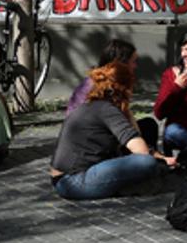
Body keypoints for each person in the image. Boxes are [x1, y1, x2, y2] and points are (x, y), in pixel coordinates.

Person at [51, 61, 177, 200]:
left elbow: (132, 139)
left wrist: (162, 158)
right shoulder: (107, 110)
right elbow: (142, 152)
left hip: (63, 177)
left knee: (147, 126)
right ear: (124, 89)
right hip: (72, 181)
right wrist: (162, 161)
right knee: (146, 163)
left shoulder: (94, 105)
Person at [67, 39, 137, 116]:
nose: (135, 66)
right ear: (121, 63)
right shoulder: (104, 85)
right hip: (88, 125)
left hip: (99, 122)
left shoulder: (102, 79)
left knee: (147, 123)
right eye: (133, 61)